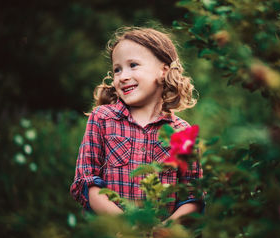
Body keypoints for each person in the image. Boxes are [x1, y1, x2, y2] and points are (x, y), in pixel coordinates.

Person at [70, 27, 202, 222]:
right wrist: (128, 226)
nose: (122, 76)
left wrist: (164, 232)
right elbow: (85, 182)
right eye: (117, 69)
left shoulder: (182, 132)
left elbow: (193, 197)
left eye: (133, 65)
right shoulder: (103, 119)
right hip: (110, 237)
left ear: (163, 71)